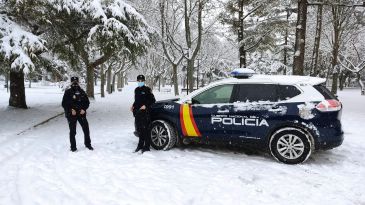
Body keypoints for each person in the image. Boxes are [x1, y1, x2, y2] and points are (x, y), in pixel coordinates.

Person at [62, 77, 93, 152]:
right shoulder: (68, 92)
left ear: (78, 82)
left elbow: (87, 102)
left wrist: (84, 109)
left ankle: (88, 144)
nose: (75, 83)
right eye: (73, 82)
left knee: (86, 129)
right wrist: (71, 109)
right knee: (73, 131)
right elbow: (64, 103)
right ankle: (73, 147)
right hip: (71, 114)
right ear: (71, 83)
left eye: (76, 82)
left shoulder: (82, 91)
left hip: (81, 114)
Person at [131, 75, 156, 153]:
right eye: (139, 81)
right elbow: (137, 101)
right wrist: (133, 106)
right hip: (137, 113)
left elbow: (153, 100)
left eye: (141, 81)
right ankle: (140, 146)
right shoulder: (136, 90)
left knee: (145, 130)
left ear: (144, 81)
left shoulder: (147, 89)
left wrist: (145, 106)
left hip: (145, 113)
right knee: (139, 130)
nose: (140, 82)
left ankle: (146, 147)